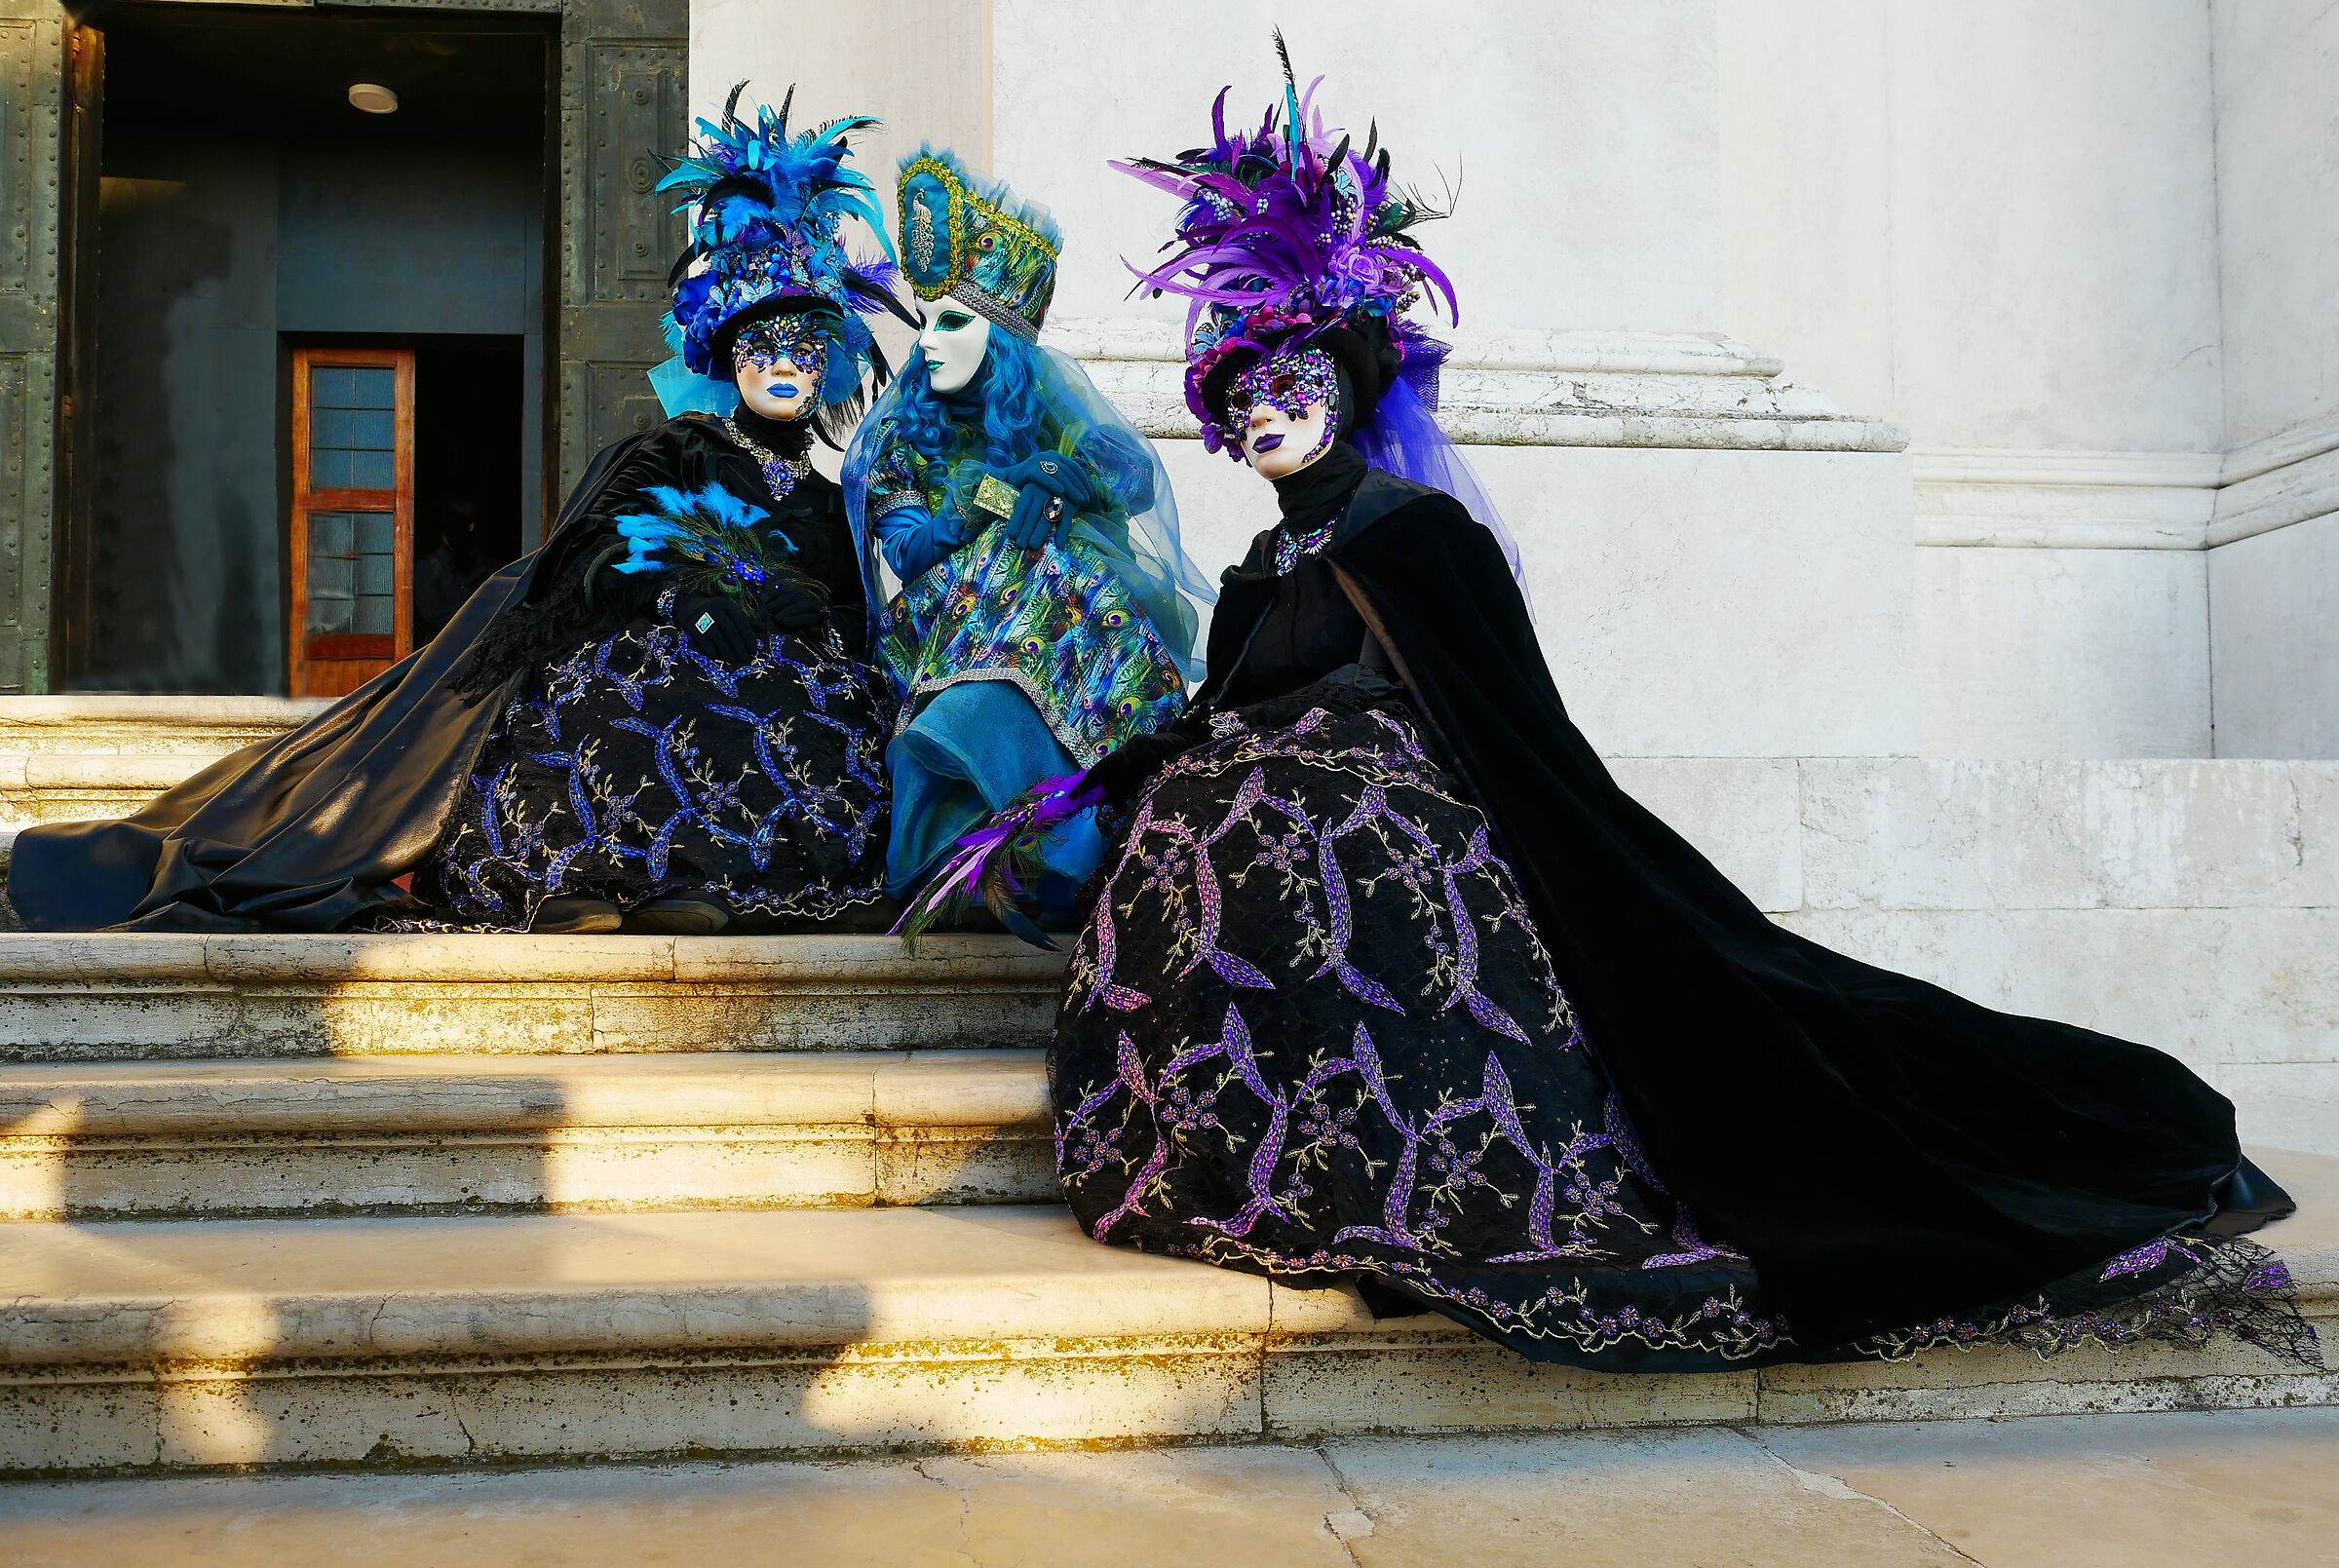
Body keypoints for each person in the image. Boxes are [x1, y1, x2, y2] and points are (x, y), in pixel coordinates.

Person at [1046, 55, 2317, 1373]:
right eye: (1244, 394)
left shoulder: (1417, 537)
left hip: (1402, 832)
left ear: (1350, 380)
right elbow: (1223, 706)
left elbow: (1492, 724)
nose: (1266, 409)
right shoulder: (1260, 570)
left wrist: (1302, 748)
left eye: (1293, 378)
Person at [8, 86, 902, 937]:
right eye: (758, 341)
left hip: (786, 689)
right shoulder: (675, 450)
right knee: (625, 686)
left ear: (827, 364)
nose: (779, 361)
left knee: (837, 715)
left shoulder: (837, 503)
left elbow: (859, 623)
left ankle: (710, 884)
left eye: (801, 344)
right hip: (669, 654)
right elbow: (597, 552)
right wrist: (693, 596)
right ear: (727, 353)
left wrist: (813, 618)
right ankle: (590, 876)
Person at [841, 147, 1214, 927]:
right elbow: (909, 550)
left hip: (1061, 620)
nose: (928, 342)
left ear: (1001, 338)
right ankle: (971, 815)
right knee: (1021, 557)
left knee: (1048, 565)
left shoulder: (1047, 401)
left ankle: (1059, 831)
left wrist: (1060, 473)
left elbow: (1132, 475)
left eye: (952, 321)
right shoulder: (901, 437)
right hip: (943, 626)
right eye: (924, 322)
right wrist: (1000, 492)